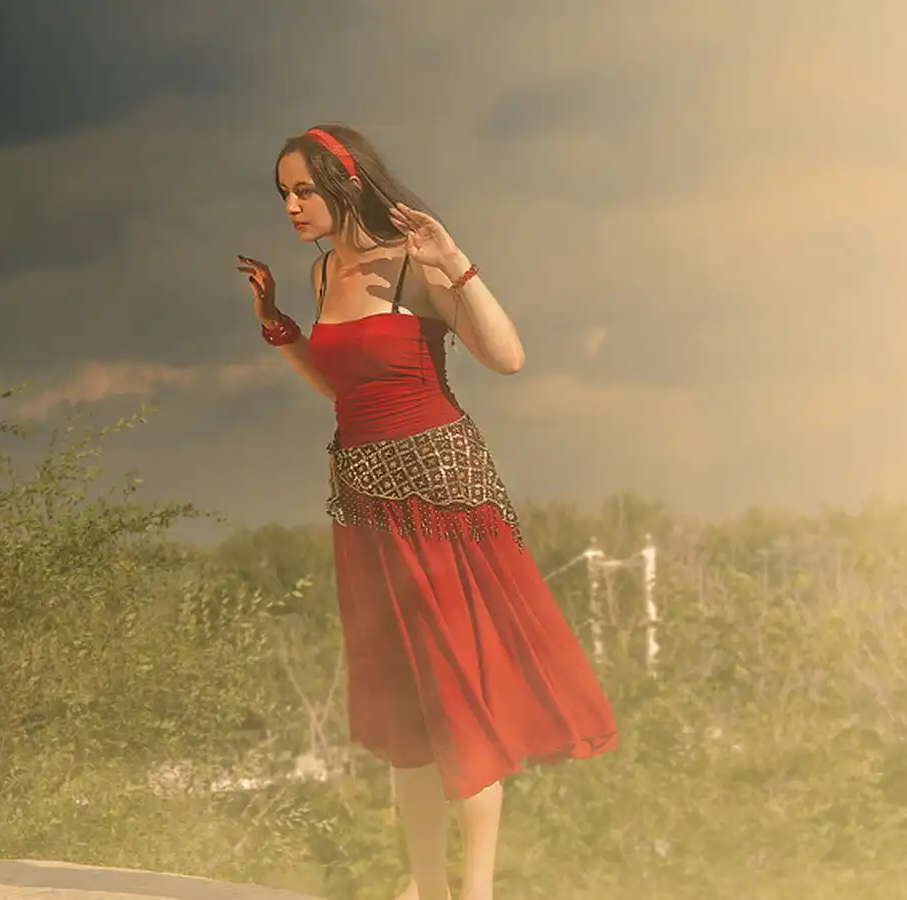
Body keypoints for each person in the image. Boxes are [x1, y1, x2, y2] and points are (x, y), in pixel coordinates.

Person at [235, 123, 617, 900]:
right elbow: (343, 388)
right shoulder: (322, 274)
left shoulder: (411, 261)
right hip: (364, 507)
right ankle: (426, 888)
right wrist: (278, 326)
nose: (292, 205)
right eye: (283, 193)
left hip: (441, 498)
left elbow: (507, 358)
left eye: (303, 189)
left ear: (345, 183)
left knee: (459, 692)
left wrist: (455, 263)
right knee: (404, 710)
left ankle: (475, 893)